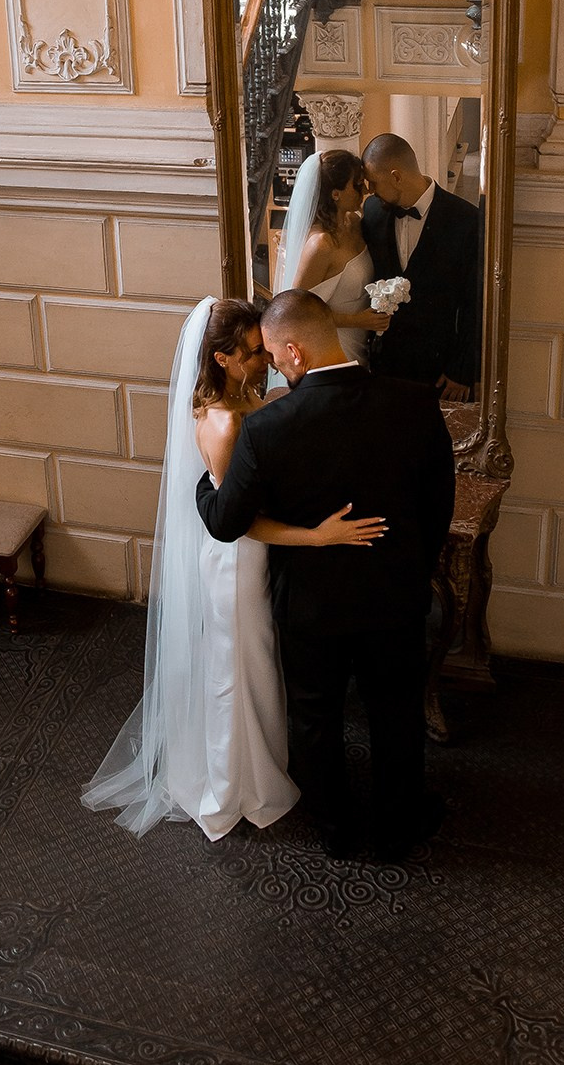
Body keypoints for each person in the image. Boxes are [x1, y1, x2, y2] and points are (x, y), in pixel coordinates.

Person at [82, 297, 386, 840]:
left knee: (259, 665)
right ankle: (234, 785)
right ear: (221, 359)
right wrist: (318, 537)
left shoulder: (248, 398)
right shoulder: (222, 423)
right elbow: (240, 523)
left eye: (262, 349)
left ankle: (263, 764)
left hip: (258, 556)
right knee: (238, 669)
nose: (264, 360)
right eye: (250, 352)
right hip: (238, 562)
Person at [196, 290, 455, 859]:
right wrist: (409, 566)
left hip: (313, 604)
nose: (273, 366)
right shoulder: (415, 403)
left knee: (316, 715)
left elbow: (225, 522)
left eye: (273, 355)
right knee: (397, 713)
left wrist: (205, 485)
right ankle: (399, 825)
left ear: (294, 351)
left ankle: (335, 828)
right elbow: (439, 506)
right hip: (395, 595)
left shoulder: (268, 428)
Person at [361, 133, 480, 402]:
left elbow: (476, 302)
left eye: (373, 182)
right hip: (384, 367)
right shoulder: (372, 211)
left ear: (396, 177)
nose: (369, 190)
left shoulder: (466, 221)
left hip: (440, 372)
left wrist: (462, 369)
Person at [275, 150, 390, 365]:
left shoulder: (354, 222)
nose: (366, 190)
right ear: (335, 194)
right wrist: (357, 321)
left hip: (364, 341)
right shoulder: (320, 245)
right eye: (357, 185)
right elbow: (298, 311)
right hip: (335, 346)